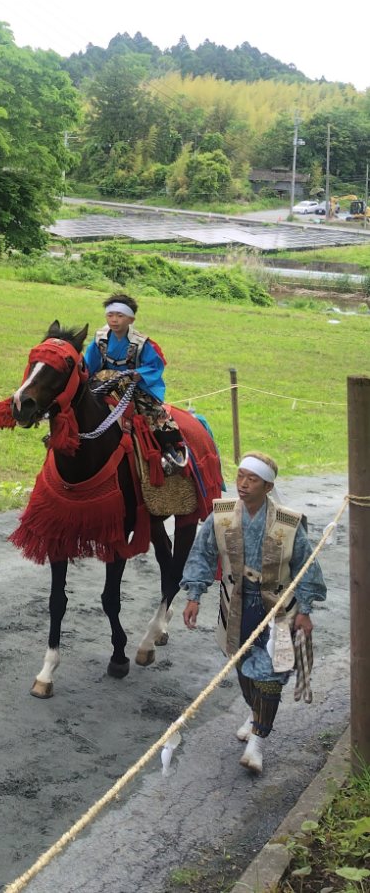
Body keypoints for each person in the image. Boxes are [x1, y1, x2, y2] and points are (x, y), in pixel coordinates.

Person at [181, 451, 327, 775]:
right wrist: (194, 595)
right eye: (240, 476)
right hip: (236, 607)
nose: (243, 484)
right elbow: (202, 555)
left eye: (252, 479)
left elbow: (306, 566)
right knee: (244, 669)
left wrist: (305, 610)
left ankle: (257, 742)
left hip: (279, 612)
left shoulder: (288, 524)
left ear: (268, 486)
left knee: (270, 677)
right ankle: (254, 711)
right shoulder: (221, 517)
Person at [83, 291, 185, 473]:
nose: (114, 320)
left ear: (131, 319)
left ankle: (168, 449)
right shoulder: (100, 338)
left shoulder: (141, 342)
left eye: (119, 316)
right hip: (105, 384)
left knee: (153, 413)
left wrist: (140, 374)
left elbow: (154, 364)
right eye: (110, 315)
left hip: (134, 386)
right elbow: (89, 363)